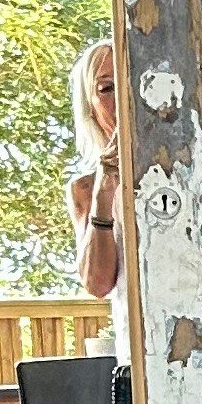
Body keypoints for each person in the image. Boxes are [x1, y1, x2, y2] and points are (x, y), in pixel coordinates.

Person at [69, 38, 122, 304]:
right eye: (107, 88)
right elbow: (97, 284)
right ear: (90, 106)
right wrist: (103, 193)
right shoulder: (85, 188)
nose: (123, 97)